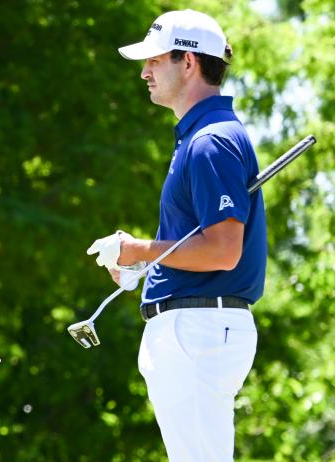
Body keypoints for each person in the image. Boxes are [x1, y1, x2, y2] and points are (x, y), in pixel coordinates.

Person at [87, 10, 267, 462]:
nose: (145, 71)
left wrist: (139, 250)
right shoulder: (200, 138)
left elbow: (224, 252)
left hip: (199, 328)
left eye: (155, 60)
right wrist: (144, 263)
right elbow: (203, 246)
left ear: (189, 62)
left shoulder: (211, 142)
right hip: (197, 325)